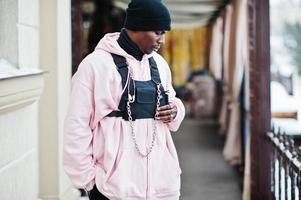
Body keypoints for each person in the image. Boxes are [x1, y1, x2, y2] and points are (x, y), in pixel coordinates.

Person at [63, 0, 185, 199]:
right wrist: (88, 181)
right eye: (158, 32)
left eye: (164, 33)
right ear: (137, 27)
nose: (162, 40)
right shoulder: (95, 66)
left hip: (162, 188)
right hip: (114, 190)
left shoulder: (160, 65)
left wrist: (176, 110)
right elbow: (76, 125)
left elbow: (173, 101)